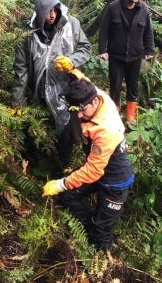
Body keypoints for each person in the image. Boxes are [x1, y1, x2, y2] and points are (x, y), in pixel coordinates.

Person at [41, 77, 134, 252]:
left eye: (83, 110)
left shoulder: (106, 130)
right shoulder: (94, 94)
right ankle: (88, 226)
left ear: (95, 101)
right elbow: (82, 79)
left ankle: (105, 252)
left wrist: (60, 184)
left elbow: (92, 171)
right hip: (97, 170)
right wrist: (69, 68)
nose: (80, 115)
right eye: (76, 110)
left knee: (101, 230)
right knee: (67, 196)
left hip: (115, 183)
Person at [12, 0, 91, 173]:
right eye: (47, 11)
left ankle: (63, 171)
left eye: (55, 10)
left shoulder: (71, 24)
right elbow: (21, 71)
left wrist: (72, 60)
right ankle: (34, 166)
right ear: (39, 12)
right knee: (39, 129)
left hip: (68, 90)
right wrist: (17, 102)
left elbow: (85, 48)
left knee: (67, 133)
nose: (52, 15)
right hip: (39, 93)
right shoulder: (28, 34)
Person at [97, 0, 155, 123]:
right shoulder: (113, 8)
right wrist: (102, 50)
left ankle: (130, 119)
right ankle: (114, 118)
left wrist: (149, 50)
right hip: (116, 56)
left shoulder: (144, 9)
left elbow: (148, 31)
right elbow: (104, 30)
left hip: (135, 57)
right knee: (115, 86)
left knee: (133, 87)